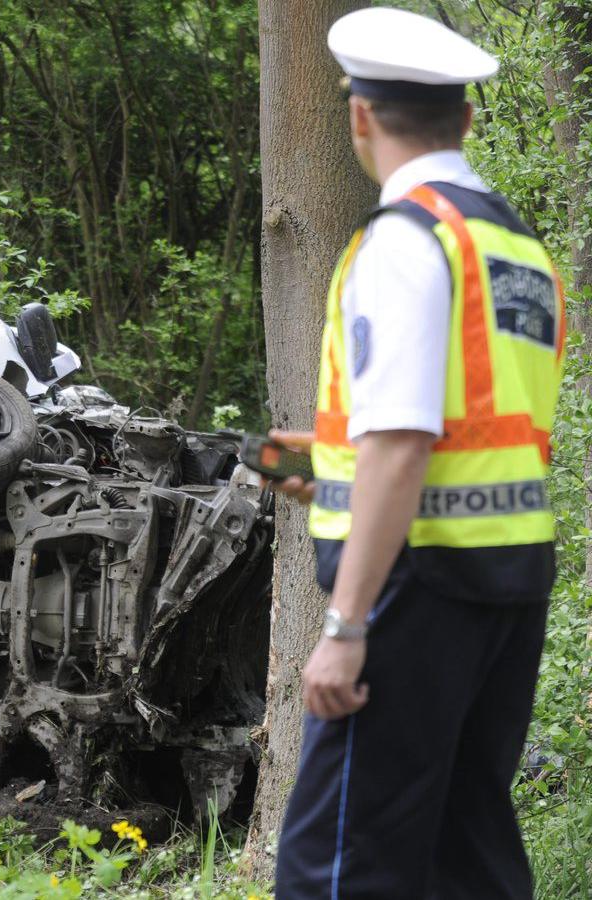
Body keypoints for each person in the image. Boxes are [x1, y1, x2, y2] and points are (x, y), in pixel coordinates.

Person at [267, 7, 566, 899]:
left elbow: (402, 441)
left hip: (412, 591)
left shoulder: (404, 240)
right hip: (507, 585)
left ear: (359, 116)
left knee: (335, 870)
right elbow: (479, 431)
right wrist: (326, 466)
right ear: (466, 119)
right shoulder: (515, 248)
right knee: (465, 859)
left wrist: (346, 627)